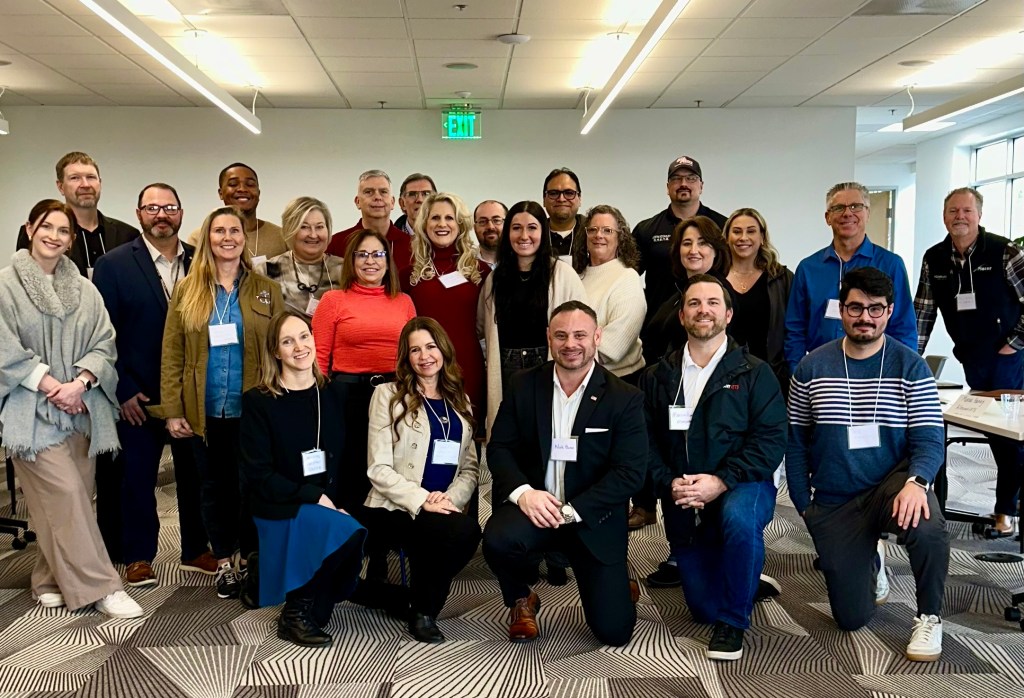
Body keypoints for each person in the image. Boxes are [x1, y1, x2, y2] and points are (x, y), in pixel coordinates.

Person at [787, 267, 949, 662]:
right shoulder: (811, 368)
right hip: (836, 497)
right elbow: (795, 441)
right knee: (851, 618)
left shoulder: (910, 366)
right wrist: (805, 505)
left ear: (889, 311)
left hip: (892, 486)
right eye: (856, 307)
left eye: (876, 309)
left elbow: (930, 439)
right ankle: (872, 559)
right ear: (841, 310)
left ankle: (929, 616)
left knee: (928, 525)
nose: (866, 317)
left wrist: (917, 482)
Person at [0, 199, 143, 619]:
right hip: (30, 412)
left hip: (81, 407)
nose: (55, 236)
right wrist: (51, 385)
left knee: (74, 499)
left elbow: (105, 342)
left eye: (64, 231)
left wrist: (79, 383)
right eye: (47, 227)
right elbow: (5, 350)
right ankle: (103, 587)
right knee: (64, 495)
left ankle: (48, 579)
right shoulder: (5, 286)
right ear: (30, 229)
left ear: (71, 239)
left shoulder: (84, 288)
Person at [639, 274, 786, 661]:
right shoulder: (658, 376)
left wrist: (722, 481)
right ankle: (746, 577)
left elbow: (770, 441)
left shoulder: (755, 373)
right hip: (684, 492)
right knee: (703, 608)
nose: (703, 310)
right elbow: (644, 442)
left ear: (728, 314)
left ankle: (734, 621)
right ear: (682, 315)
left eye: (712, 303)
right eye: (694, 303)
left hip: (743, 483)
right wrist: (669, 483)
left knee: (738, 520)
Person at [482, 301, 646, 646]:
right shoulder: (523, 385)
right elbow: (499, 449)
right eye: (561, 336)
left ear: (597, 337)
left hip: (591, 518)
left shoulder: (624, 398)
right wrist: (524, 494)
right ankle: (521, 597)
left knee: (614, 633)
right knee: (497, 539)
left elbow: (629, 473)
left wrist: (572, 511)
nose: (570, 344)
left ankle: (618, 582)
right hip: (536, 509)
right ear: (549, 338)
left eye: (580, 335)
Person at [153, 206, 284, 600]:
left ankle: (251, 559)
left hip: (253, 410)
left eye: (235, 231)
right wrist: (173, 409)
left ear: (244, 238)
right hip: (204, 410)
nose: (228, 238)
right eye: (219, 231)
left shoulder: (266, 289)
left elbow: (279, 347)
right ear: (207, 238)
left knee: (251, 487)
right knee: (213, 488)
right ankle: (225, 561)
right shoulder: (187, 290)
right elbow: (172, 353)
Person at [92, 183, 215, 589]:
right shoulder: (113, 265)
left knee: (194, 476)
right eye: (152, 208)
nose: (162, 214)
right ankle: (139, 556)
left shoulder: (201, 261)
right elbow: (102, 334)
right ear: (139, 214)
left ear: (181, 213)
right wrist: (123, 387)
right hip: (138, 393)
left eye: (170, 207)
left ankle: (196, 549)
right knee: (137, 478)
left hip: (190, 392)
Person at [239, 311, 367, 647]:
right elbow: (259, 475)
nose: (299, 347)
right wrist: (314, 497)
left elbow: (349, 461)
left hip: (327, 501)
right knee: (344, 532)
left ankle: (267, 574)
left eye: (304, 336)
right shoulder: (258, 401)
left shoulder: (335, 393)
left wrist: (340, 504)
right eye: (287, 341)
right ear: (275, 352)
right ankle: (293, 615)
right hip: (280, 502)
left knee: (350, 531)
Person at [915, 187, 1024, 537]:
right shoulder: (935, 258)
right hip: (973, 359)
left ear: (979, 215)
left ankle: (1005, 512)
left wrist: (1014, 343)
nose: (959, 216)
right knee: (995, 435)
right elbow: (923, 314)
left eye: (966, 210)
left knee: (1010, 437)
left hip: (1011, 359)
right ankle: (1008, 507)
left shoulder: (1005, 251)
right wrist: (910, 360)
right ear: (944, 216)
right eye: (953, 211)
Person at [365, 317, 482, 643]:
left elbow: (470, 469)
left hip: (442, 506)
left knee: (465, 533)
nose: (424, 356)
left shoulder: (460, 400)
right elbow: (377, 468)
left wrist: (449, 499)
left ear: (443, 350)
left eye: (431, 347)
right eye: (415, 350)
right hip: (394, 506)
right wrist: (422, 499)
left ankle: (411, 600)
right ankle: (423, 610)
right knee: (455, 533)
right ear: (406, 356)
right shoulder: (388, 395)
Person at [312, 229, 416, 579]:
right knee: (353, 476)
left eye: (378, 254)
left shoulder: (403, 302)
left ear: (388, 261)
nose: (370, 261)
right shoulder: (333, 300)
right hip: (348, 398)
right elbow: (320, 358)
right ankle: (351, 551)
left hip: (394, 396)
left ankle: (381, 553)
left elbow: (412, 353)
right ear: (351, 261)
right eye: (362, 254)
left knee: (389, 473)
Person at [478, 201, 587, 439]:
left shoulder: (563, 274)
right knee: (510, 434)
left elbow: (583, 326)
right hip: (506, 367)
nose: (524, 236)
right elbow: (481, 327)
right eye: (516, 228)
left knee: (546, 432)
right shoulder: (495, 279)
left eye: (532, 228)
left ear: (543, 232)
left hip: (546, 364)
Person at [785, 181, 916, 373]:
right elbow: (795, 329)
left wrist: (900, 373)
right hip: (821, 372)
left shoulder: (891, 265)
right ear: (827, 217)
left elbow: (904, 327)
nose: (847, 213)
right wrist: (797, 372)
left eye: (856, 206)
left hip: (877, 373)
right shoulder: (808, 269)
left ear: (867, 213)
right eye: (839, 208)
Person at [405, 192, 490, 421]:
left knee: (467, 432)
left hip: (467, 365)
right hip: (423, 367)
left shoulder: (481, 271)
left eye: (449, 218)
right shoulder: (408, 273)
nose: (442, 224)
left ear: (460, 224)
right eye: (435, 218)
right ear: (424, 224)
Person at [640, 217, 730, 396]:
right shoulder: (678, 290)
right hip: (662, 385)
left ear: (716, 251)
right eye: (687, 243)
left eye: (702, 243)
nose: (693, 250)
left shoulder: (723, 294)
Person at [15, 151, 139, 279]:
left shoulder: (128, 235)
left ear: (100, 183)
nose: (85, 185)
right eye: (75, 178)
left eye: (91, 177)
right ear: (61, 187)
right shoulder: (37, 234)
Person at [633, 156, 727, 325]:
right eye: (676, 179)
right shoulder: (646, 230)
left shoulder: (722, 227)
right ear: (667, 187)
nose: (683, 184)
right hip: (659, 325)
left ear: (701, 186)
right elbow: (628, 276)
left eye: (691, 178)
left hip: (709, 323)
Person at [571, 204, 646, 382]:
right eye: (593, 230)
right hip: (577, 375)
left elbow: (614, 347)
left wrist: (570, 357)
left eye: (607, 231)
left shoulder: (627, 277)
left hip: (618, 380)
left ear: (620, 238)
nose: (599, 235)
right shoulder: (575, 276)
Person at [722, 207, 794, 389]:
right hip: (723, 377)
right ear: (727, 238)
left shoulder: (782, 278)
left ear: (762, 237)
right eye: (736, 231)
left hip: (771, 377)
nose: (743, 237)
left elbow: (794, 329)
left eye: (751, 231)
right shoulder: (715, 278)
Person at [256, 197, 343, 318]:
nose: (313, 235)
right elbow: (259, 320)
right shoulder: (266, 271)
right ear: (289, 230)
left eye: (319, 227)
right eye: (304, 227)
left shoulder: (345, 269)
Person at [187, 163, 286, 263]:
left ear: (258, 193)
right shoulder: (200, 237)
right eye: (233, 184)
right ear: (221, 193)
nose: (242, 189)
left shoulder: (282, 236)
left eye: (250, 184)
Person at [325, 170, 413, 274]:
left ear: (392, 202)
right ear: (358, 202)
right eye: (368, 192)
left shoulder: (412, 246)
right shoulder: (336, 244)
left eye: (383, 192)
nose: (377, 197)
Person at [542, 168, 584, 263]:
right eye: (553, 193)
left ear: (579, 199)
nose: (561, 199)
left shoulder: (592, 233)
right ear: (544, 200)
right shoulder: (534, 235)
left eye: (569, 193)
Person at [473, 199, 506, 269]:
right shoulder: (462, 264)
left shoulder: (521, 263)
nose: (490, 227)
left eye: (496, 220)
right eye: (482, 221)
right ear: (475, 228)